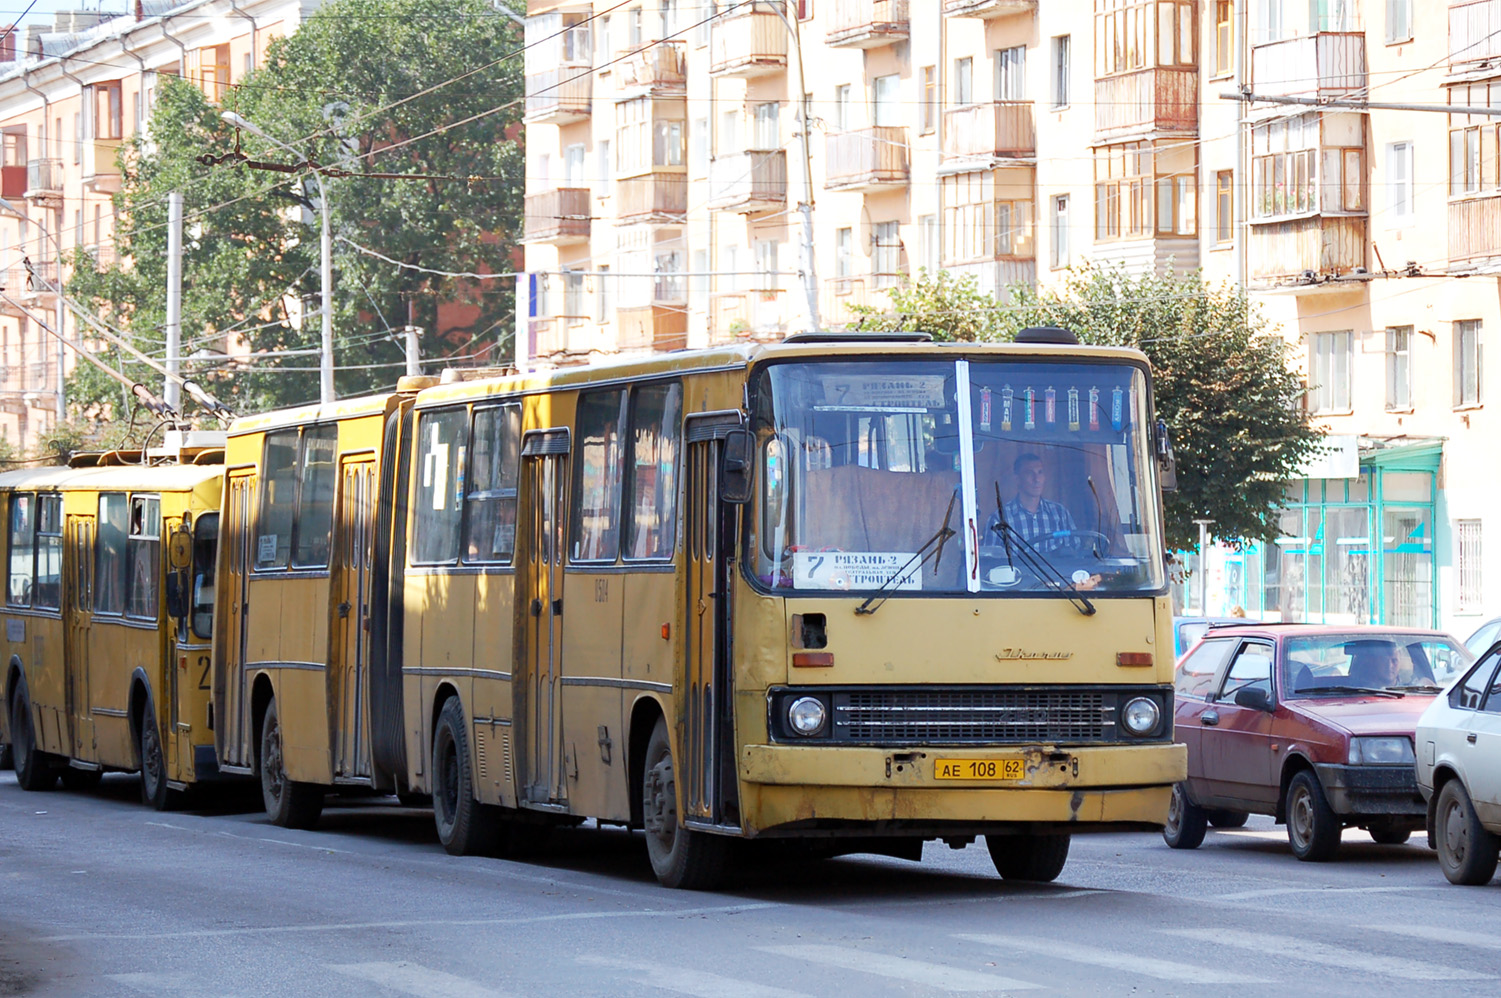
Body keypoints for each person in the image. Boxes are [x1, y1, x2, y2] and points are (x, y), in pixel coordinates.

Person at [986, 452, 1078, 553]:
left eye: (1040, 472)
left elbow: (1076, 554)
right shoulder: (999, 519)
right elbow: (990, 561)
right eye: (1029, 473)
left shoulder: (1060, 513)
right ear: (1017, 479)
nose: (1037, 479)